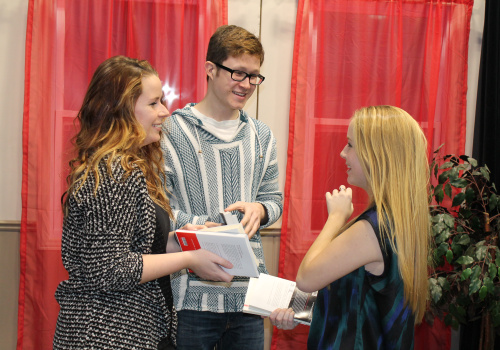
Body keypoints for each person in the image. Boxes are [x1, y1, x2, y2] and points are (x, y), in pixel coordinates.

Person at [53, 55, 234, 350]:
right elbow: (111, 268)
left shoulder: (129, 166)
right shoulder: (114, 171)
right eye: (153, 103)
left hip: (131, 329)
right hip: (105, 334)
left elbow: (142, 246)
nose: (165, 111)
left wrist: (191, 240)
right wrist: (190, 259)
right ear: (120, 112)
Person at [161, 25, 283, 349]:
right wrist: (202, 226)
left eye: (254, 76)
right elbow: (158, 212)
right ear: (210, 70)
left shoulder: (262, 136)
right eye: (238, 73)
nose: (246, 85)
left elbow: (274, 199)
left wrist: (260, 209)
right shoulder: (172, 130)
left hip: (248, 300)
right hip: (191, 301)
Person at [270, 105, 430, 349]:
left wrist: (335, 218)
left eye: (351, 145)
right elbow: (363, 299)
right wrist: (304, 313)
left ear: (377, 154)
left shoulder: (373, 229)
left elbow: (305, 278)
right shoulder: (397, 220)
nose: (343, 153)